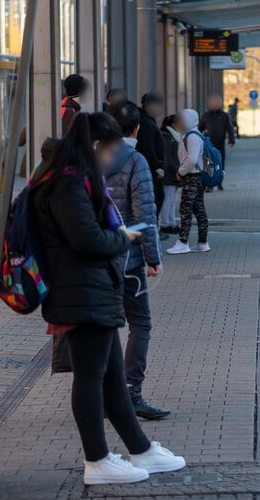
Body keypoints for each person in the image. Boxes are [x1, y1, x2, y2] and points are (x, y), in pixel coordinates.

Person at [30, 112, 185, 485]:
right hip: (79, 291)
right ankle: (97, 461)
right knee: (90, 377)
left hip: (89, 290)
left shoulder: (66, 175)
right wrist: (124, 238)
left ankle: (141, 449)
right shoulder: (69, 182)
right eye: (111, 150)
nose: (112, 158)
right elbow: (86, 239)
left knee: (111, 376)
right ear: (97, 146)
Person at [105, 103, 170, 421]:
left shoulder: (89, 159)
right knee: (140, 324)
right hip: (128, 262)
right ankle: (132, 392)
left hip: (95, 260)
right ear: (137, 129)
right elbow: (145, 214)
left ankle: (104, 393)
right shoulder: (135, 161)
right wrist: (153, 257)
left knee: (105, 329)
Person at [166, 109, 210, 254]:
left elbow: (191, 159)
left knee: (185, 209)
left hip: (192, 176)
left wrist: (180, 171)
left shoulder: (192, 136)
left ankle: (182, 242)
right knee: (198, 209)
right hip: (195, 177)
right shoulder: (192, 134)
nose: (178, 123)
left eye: (181, 120)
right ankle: (203, 242)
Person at [199, 94, 235, 191]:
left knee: (220, 164)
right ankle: (209, 185)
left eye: (216, 102)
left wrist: (231, 140)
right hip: (208, 145)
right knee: (208, 164)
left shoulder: (224, 116)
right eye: (212, 102)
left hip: (220, 145)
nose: (214, 104)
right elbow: (199, 129)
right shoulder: (206, 116)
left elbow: (230, 129)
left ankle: (219, 183)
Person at [138, 93, 167, 211]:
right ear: (150, 106)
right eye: (159, 106)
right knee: (154, 198)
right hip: (151, 170)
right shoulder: (145, 123)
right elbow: (147, 147)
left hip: (151, 169)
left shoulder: (148, 121)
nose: (161, 110)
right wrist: (156, 167)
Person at [158, 115, 181, 235]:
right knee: (168, 198)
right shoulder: (167, 136)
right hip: (170, 173)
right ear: (173, 124)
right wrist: (177, 169)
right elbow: (168, 157)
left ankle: (171, 223)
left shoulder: (174, 136)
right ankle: (165, 224)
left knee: (172, 199)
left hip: (173, 172)